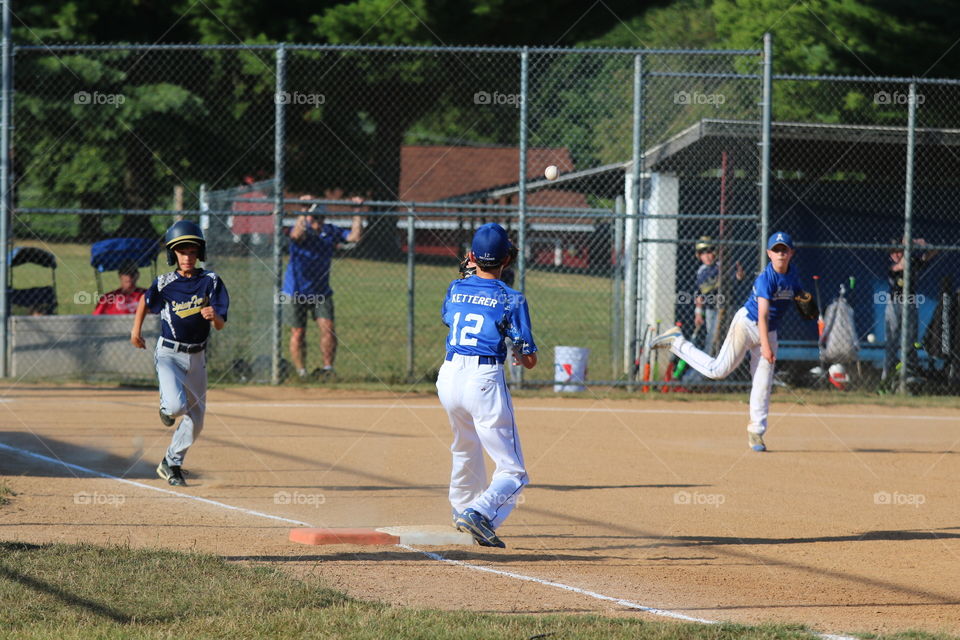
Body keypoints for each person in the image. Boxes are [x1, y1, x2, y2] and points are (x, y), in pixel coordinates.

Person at [650, 231, 809, 452]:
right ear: (769, 253)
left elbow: (801, 296)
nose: (780, 253)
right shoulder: (766, 278)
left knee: (763, 382)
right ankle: (677, 342)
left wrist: (814, 314)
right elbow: (762, 314)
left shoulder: (793, 275)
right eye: (776, 249)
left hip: (769, 331)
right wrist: (765, 346)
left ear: (792, 253)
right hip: (747, 325)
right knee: (717, 370)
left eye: (784, 249)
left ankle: (756, 432)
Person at [437, 223, 537, 548]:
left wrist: (470, 278)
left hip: (450, 377)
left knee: (465, 446)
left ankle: (461, 508)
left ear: (470, 256)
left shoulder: (454, 287)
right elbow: (529, 357)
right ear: (507, 258)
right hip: (483, 380)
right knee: (513, 472)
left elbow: (451, 317)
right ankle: (479, 512)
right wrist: (520, 354)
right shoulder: (512, 298)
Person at [130, 221, 229, 487]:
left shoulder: (211, 281)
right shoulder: (164, 282)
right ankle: (166, 407)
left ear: (199, 254)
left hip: (197, 357)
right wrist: (135, 331)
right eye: (181, 251)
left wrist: (214, 316)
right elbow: (144, 300)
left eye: (192, 252)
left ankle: (171, 462)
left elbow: (220, 323)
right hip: (169, 354)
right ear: (173, 254)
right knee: (175, 407)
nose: (187, 257)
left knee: (196, 420)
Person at [283, 194, 363, 380]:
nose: (316, 221)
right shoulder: (302, 229)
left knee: (328, 329)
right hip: (296, 291)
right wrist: (304, 209)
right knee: (298, 333)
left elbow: (354, 237)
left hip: (321, 292)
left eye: (320, 217)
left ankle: (327, 369)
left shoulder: (330, 231)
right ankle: (301, 373)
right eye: (313, 217)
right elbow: (296, 235)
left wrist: (357, 212)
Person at [883, 236, 937, 386]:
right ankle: (887, 378)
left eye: (899, 252)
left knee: (910, 342)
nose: (896, 255)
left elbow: (934, 251)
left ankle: (908, 375)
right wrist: (907, 247)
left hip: (911, 303)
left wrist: (921, 244)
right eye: (894, 253)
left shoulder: (912, 262)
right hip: (895, 304)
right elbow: (902, 265)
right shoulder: (891, 267)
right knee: (892, 342)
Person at [691, 236, 744, 355]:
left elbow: (734, 279)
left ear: (714, 252)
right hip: (710, 310)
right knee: (712, 336)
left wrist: (738, 276)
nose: (707, 256)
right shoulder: (701, 272)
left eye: (710, 251)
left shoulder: (721, 266)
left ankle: (721, 362)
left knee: (724, 337)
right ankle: (714, 361)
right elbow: (699, 295)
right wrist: (698, 313)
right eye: (703, 253)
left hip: (726, 308)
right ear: (698, 256)